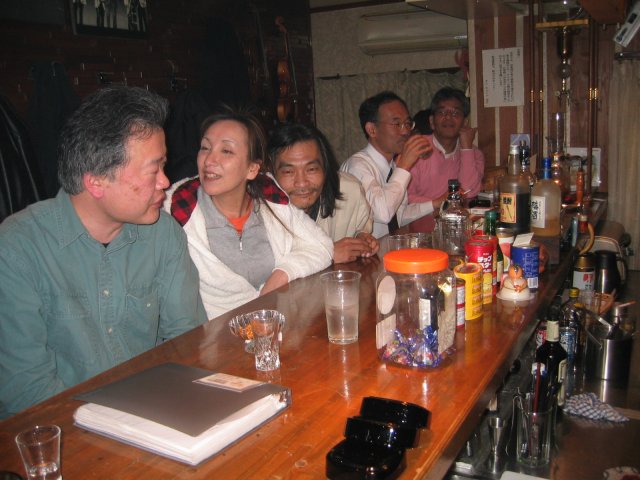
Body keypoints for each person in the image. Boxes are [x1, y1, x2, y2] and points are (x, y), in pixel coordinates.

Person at [0, 86, 207, 419]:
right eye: (153, 170)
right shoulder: (17, 249)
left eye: (163, 166)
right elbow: (27, 390)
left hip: (156, 411)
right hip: (64, 430)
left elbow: (188, 340)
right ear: (96, 181)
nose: (165, 182)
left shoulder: (163, 234)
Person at [165, 108, 333, 320]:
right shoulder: (176, 211)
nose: (209, 160)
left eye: (226, 151)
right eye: (205, 148)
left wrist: (282, 274)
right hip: (214, 336)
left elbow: (321, 246)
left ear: (252, 169)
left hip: (278, 327)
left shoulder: (270, 198)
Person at [268, 123, 379, 264]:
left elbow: (361, 226)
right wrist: (327, 254)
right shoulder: (260, 212)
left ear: (325, 167)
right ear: (272, 173)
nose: (302, 183)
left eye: (311, 169)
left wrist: (362, 238)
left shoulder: (349, 190)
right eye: (289, 172)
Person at [340, 91, 435, 238]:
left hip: (388, 247)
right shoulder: (357, 166)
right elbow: (383, 214)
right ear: (372, 130)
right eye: (397, 124)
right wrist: (404, 167)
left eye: (407, 123)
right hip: (364, 251)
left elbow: (398, 215)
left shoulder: (392, 167)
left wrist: (436, 203)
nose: (405, 131)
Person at [407, 87, 485, 209]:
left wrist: (466, 150)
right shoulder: (415, 149)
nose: (448, 117)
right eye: (442, 112)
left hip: (458, 219)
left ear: (465, 122)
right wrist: (440, 204)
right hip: (420, 220)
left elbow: (468, 193)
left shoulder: (474, 154)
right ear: (432, 121)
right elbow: (405, 198)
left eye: (455, 113)